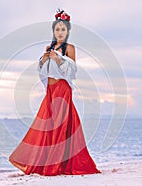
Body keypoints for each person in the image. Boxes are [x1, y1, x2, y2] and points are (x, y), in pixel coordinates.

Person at [8, 9, 101, 176]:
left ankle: (56, 165)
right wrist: (44, 60)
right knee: (47, 125)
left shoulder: (70, 48)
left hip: (62, 90)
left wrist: (58, 59)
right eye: (57, 29)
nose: (60, 32)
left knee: (60, 125)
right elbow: (44, 71)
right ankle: (45, 162)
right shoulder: (48, 47)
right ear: (53, 31)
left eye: (63, 29)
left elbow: (72, 71)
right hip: (50, 91)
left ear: (68, 31)